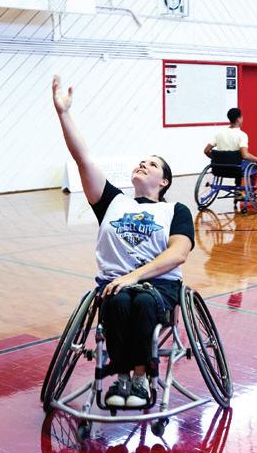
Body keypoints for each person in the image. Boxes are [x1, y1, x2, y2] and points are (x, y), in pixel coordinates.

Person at [52, 76, 194, 410]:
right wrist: (63, 114)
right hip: (114, 286)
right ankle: (121, 377)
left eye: (152, 164)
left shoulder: (175, 210)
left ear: (164, 181)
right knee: (116, 303)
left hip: (157, 288)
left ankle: (141, 379)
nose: (143, 164)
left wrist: (135, 276)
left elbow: (179, 252)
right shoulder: (113, 202)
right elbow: (84, 160)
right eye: (142, 161)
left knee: (141, 302)